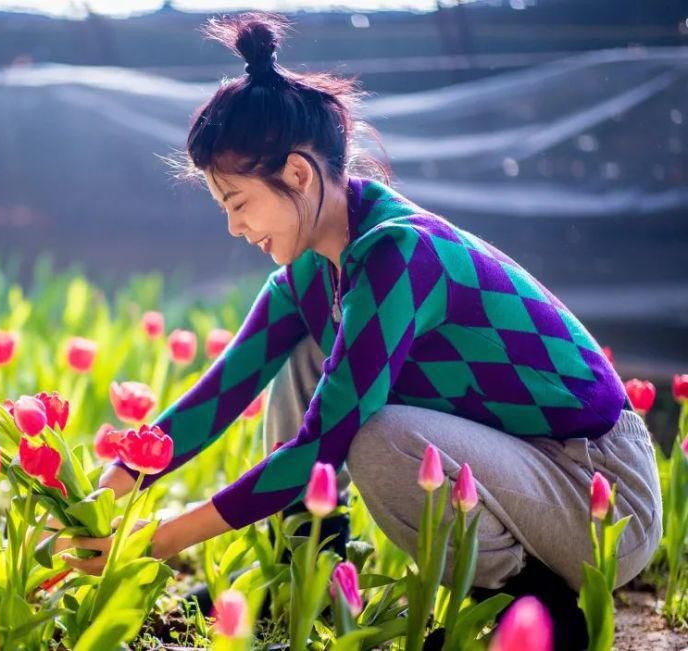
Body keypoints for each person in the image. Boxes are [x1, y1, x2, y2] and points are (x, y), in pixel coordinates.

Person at [60, 11, 662, 650]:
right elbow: (215, 399)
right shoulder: (311, 275)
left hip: (597, 491)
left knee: (376, 436)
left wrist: (154, 541)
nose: (234, 228)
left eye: (237, 204)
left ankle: (525, 606)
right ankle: (305, 570)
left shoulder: (397, 254)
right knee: (304, 355)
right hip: (517, 467)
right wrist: (104, 494)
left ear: (296, 175)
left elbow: (324, 442)